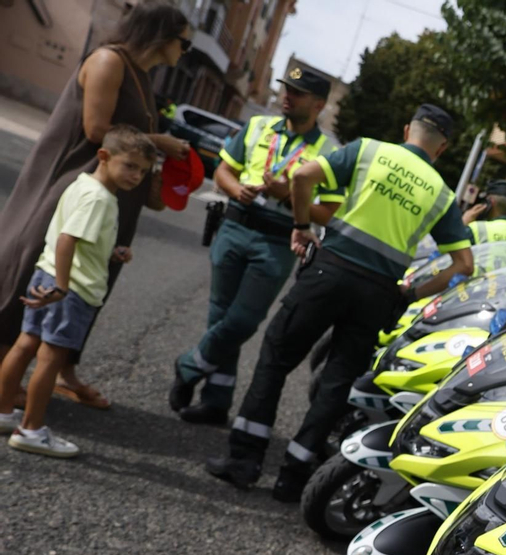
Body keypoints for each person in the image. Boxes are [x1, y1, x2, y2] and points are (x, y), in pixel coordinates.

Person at [205, 104, 475, 499]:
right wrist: (410, 293)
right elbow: (463, 264)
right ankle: (293, 477)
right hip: (380, 291)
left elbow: (301, 176)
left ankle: (244, 460)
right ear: (443, 148)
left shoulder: (367, 150)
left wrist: (301, 226)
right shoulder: (441, 193)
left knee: (277, 355)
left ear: (406, 129)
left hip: (328, 272)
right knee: (337, 381)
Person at [0, 1, 191, 412]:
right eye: (184, 43)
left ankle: (61, 373)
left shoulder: (141, 76)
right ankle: (6, 375)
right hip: (71, 186)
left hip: (108, 200)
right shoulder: (108, 60)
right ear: (161, 36)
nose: (185, 52)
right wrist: (159, 143)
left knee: (87, 284)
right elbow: (96, 129)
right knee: (34, 271)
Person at [168, 65, 340, 426]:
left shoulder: (329, 151)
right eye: (285, 88)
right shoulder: (258, 126)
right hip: (235, 224)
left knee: (244, 318)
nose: (286, 96)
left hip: (277, 237)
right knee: (220, 314)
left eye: (297, 92)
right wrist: (236, 189)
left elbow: (328, 212)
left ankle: (189, 366)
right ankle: (216, 402)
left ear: (319, 104)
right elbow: (224, 171)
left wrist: (291, 196)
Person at [0, 128, 157, 457]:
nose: (137, 176)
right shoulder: (99, 198)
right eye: (130, 166)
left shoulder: (84, 185)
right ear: (104, 156)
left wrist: (110, 251)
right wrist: (63, 286)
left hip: (46, 274)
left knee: (25, 342)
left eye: (143, 171)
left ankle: (3, 411)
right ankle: (31, 429)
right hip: (70, 289)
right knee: (51, 357)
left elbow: (76, 235)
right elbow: (67, 239)